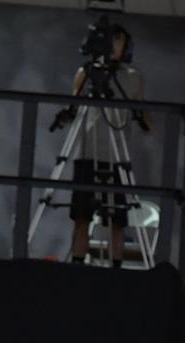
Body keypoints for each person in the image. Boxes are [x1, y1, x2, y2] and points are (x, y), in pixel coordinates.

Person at [55, 22, 151, 266]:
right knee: (81, 216)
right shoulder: (84, 73)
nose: (117, 46)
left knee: (117, 220)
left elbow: (144, 117)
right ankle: (77, 264)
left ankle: (115, 269)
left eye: (120, 41)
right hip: (86, 153)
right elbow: (72, 108)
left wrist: (141, 114)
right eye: (113, 40)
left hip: (117, 156)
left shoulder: (132, 78)